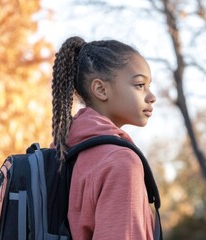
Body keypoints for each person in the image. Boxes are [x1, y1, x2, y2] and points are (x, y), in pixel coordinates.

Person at [51, 36, 161, 240]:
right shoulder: (120, 162)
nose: (152, 96)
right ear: (101, 89)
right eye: (139, 85)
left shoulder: (63, 153)